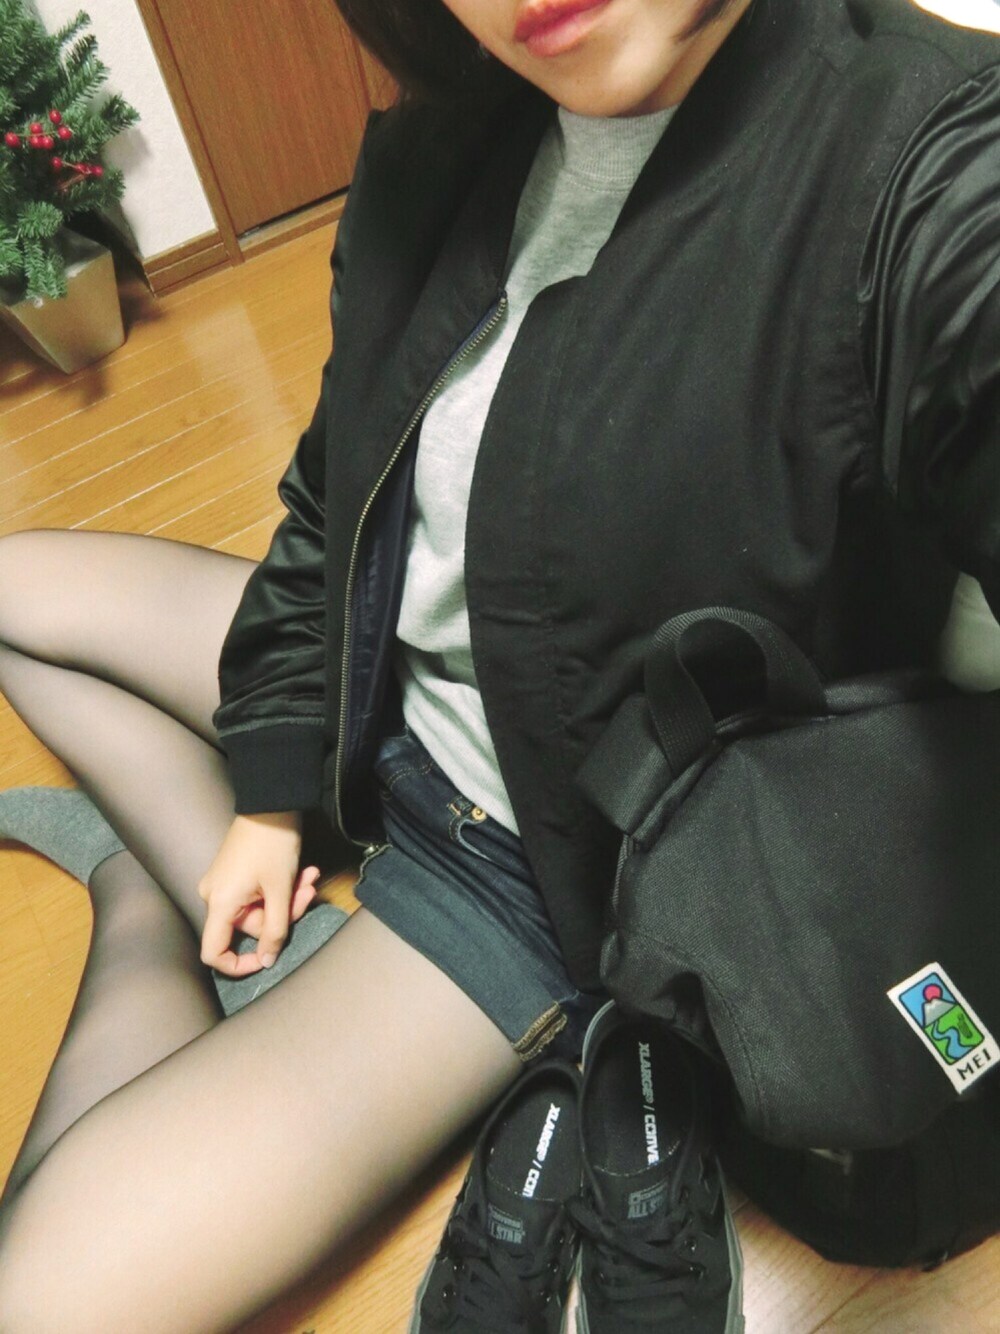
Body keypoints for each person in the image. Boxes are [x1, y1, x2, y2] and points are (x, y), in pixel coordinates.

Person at [0, 0, 998, 1328]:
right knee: (13, 590)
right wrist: (271, 791)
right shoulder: (457, 134)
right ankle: (177, 846)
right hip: (383, 685)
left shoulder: (925, 160)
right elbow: (329, 498)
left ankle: (138, 895)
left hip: (538, 865)